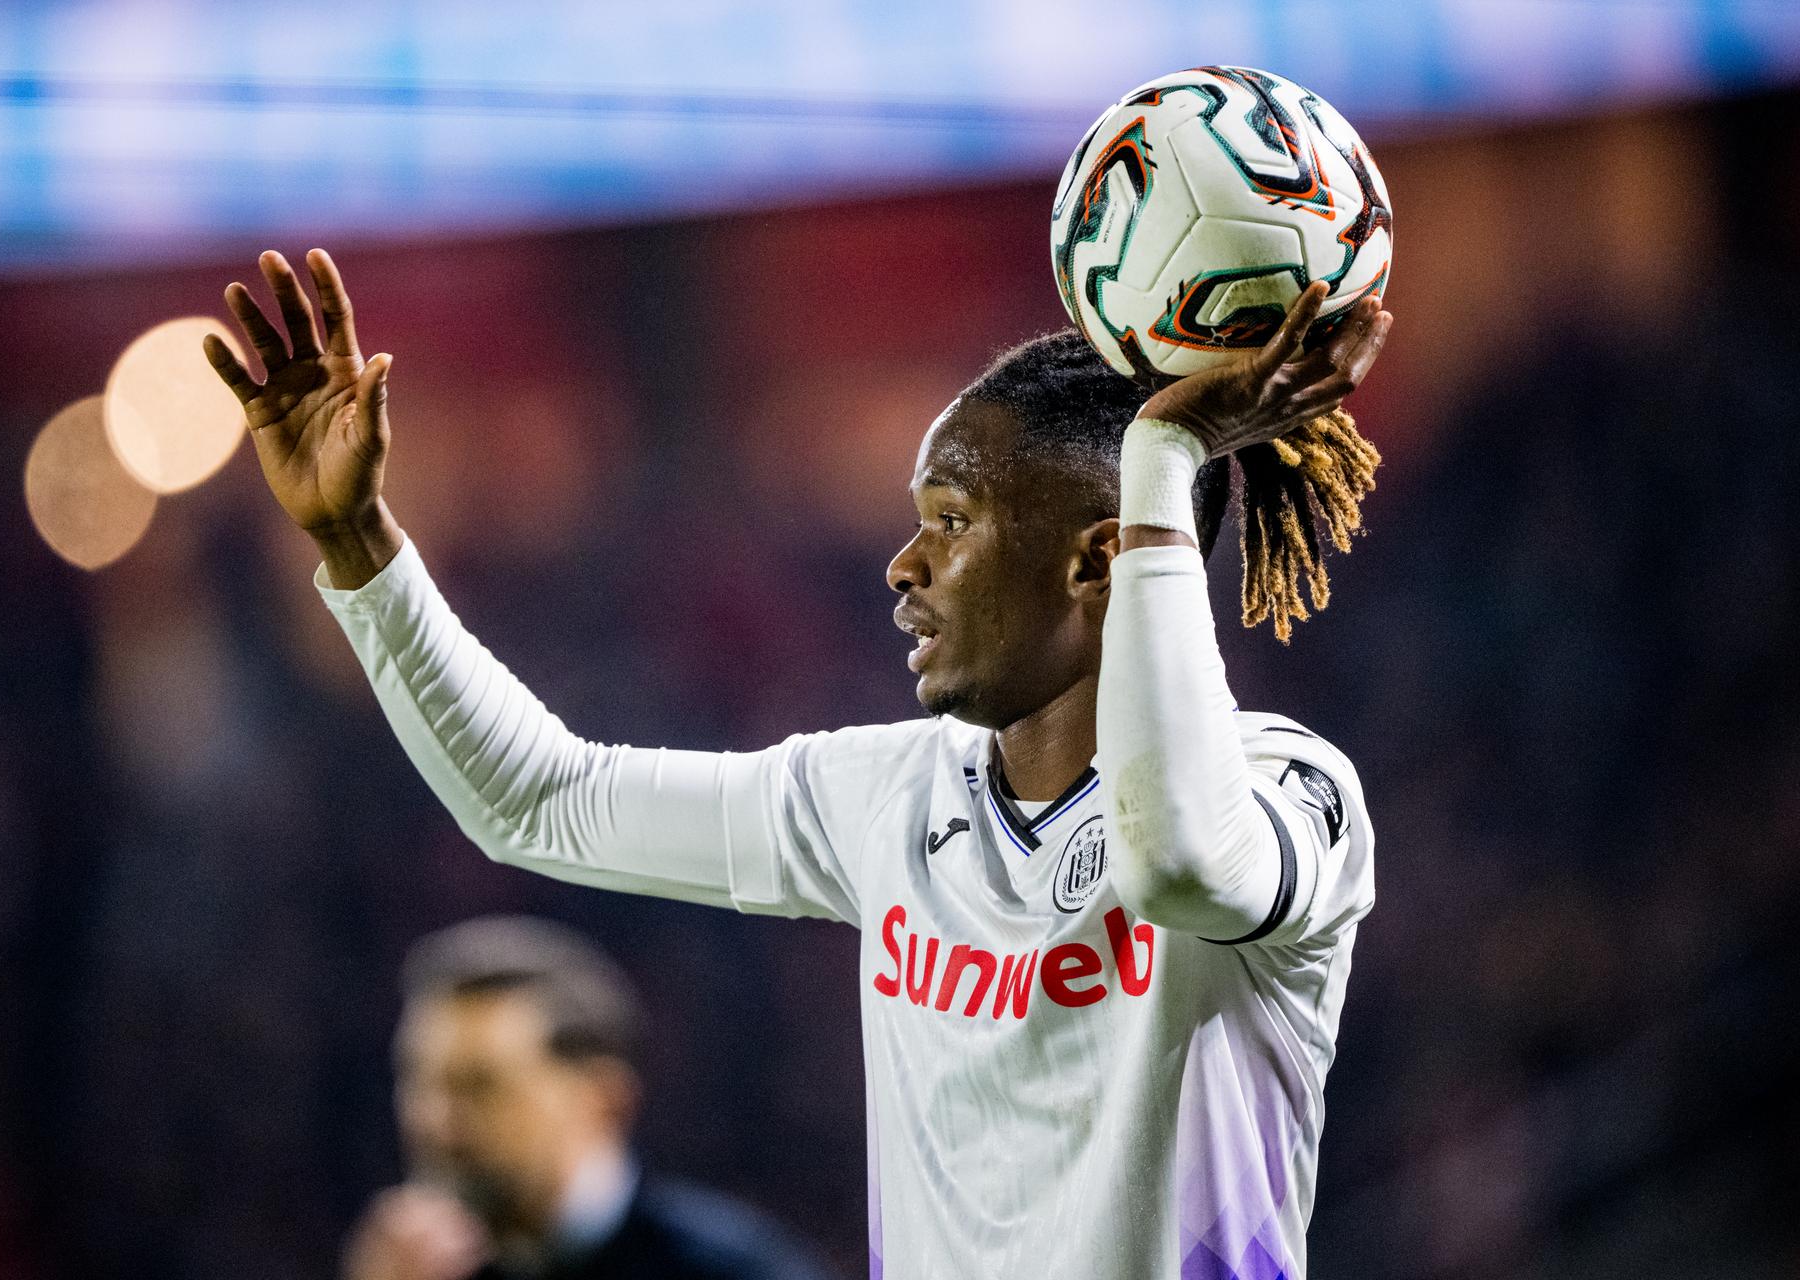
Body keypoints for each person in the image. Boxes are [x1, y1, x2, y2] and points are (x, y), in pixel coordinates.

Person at [205, 247, 1392, 1280]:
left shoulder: (1289, 791)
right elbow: (542, 798)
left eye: (952, 519)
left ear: (1096, 560)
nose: (903, 564)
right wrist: (355, 541)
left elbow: (1173, 859)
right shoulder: (886, 796)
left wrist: (1165, 459)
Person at [346, 914, 837, 1280]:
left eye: (483, 1086)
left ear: (603, 1101)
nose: (435, 1118)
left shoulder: (738, 1271)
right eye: (417, 1080)